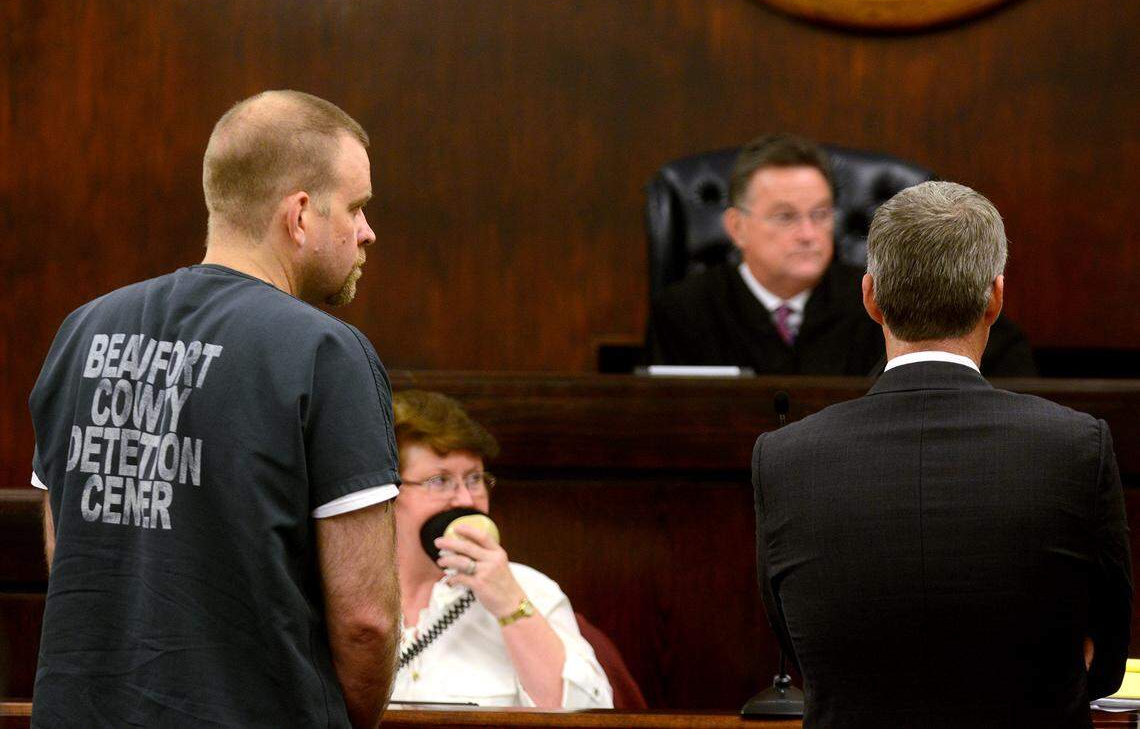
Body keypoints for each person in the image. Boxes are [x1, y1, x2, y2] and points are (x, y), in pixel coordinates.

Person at [29, 90, 401, 728]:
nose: (367, 231)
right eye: (358, 207)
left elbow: (68, 550)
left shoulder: (81, 331)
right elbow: (366, 623)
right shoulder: (326, 355)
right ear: (301, 214)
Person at [752, 181, 1131, 727]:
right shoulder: (1075, 447)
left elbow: (800, 646)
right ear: (996, 298)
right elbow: (1107, 665)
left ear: (870, 297)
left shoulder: (785, 459)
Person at [646, 133, 1036, 376]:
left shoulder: (879, 294)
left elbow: (1002, 353)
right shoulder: (683, 310)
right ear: (736, 227)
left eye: (820, 215)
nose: (808, 234)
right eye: (786, 217)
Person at [389, 390, 613, 709]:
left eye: (475, 479)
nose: (466, 500)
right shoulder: (338, 595)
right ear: (388, 492)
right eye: (440, 481)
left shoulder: (531, 590)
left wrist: (510, 604)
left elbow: (590, 714)